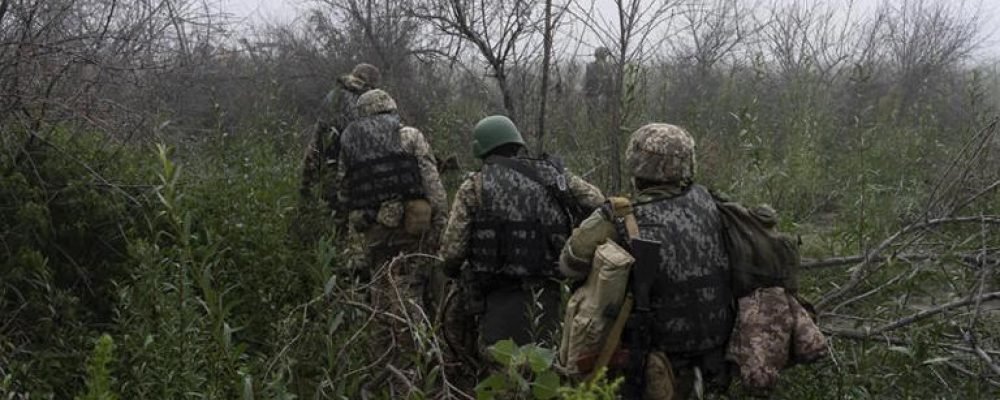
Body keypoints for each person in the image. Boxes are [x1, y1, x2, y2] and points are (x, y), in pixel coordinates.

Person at [559, 123, 734, 398]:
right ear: (688, 164)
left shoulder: (619, 216)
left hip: (651, 364)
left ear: (636, 164)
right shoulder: (714, 205)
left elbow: (568, 265)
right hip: (714, 356)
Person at [439, 115, 605, 359]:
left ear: (482, 150)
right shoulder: (556, 175)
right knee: (547, 366)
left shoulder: (474, 186)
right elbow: (600, 204)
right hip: (550, 298)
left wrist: (452, 270)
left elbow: (452, 253)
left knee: (498, 372)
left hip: (496, 300)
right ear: (517, 143)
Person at [335, 89, 447, 316]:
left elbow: (344, 194)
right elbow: (434, 189)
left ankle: (385, 344)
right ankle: (412, 347)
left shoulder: (350, 145)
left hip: (373, 231)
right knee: (409, 293)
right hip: (410, 229)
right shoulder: (410, 136)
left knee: (381, 294)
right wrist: (440, 226)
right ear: (390, 108)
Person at [299, 63, 381, 218]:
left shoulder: (334, 94)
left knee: (322, 206)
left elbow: (320, 130)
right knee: (342, 212)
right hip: (345, 165)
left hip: (322, 156)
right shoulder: (364, 100)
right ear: (371, 82)